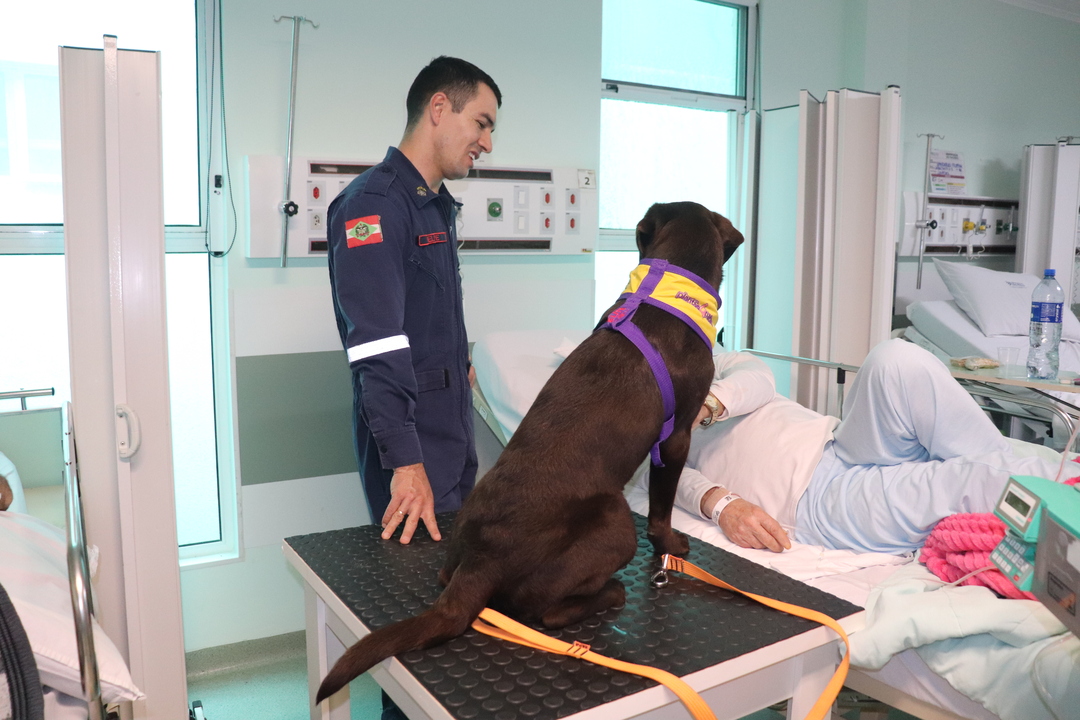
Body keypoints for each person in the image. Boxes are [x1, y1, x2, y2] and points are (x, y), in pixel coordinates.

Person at [327, 57, 501, 546]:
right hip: (412, 446)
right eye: (481, 124)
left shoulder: (433, 206)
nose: (487, 142)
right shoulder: (373, 206)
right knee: (417, 591)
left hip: (448, 435)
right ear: (440, 108)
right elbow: (375, 345)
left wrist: (460, 364)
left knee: (448, 583)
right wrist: (406, 462)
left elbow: (428, 316)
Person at [671, 339, 1064, 555]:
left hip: (838, 443)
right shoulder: (633, 423)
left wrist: (705, 406)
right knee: (967, 479)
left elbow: (757, 378)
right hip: (816, 500)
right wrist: (722, 505)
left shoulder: (713, 360)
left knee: (895, 360)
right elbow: (657, 477)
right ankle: (1064, 486)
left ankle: (1028, 470)